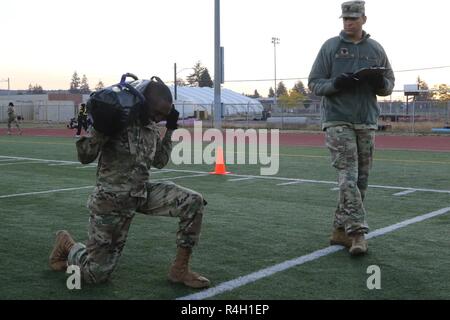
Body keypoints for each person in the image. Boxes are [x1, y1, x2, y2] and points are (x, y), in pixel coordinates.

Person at [49, 78, 210, 288]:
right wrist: (100, 128)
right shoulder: (117, 119)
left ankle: (179, 270)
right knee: (94, 276)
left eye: (164, 115)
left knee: (193, 201)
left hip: (141, 194)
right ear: (143, 102)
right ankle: (68, 245)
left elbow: (160, 161)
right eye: (157, 112)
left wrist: (170, 129)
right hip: (110, 201)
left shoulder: (151, 127)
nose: (159, 118)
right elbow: (84, 156)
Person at [308, 1, 395, 255]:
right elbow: (314, 83)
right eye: (345, 19)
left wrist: (381, 83)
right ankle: (357, 233)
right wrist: (336, 83)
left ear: (364, 20)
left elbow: (389, 82)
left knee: (361, 180)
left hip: (366, 120)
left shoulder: (376, 49)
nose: (348, 23)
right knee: (348, 175)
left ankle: (338, 230)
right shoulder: (330, 47)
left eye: (354, 19)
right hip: (337, 119)